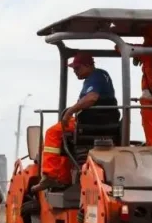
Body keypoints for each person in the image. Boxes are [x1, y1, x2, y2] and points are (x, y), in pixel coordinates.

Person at [34, 52, 118, 193]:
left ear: (88, 65)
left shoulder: (95, 77)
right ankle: (63, 175)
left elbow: (91, 98)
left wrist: (70, 111)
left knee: (53, 133)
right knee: (64, 137)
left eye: (77, 68)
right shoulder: (100, 77)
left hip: (91, 123)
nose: (74, 71)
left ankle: (50, 175)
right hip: (100, 121)